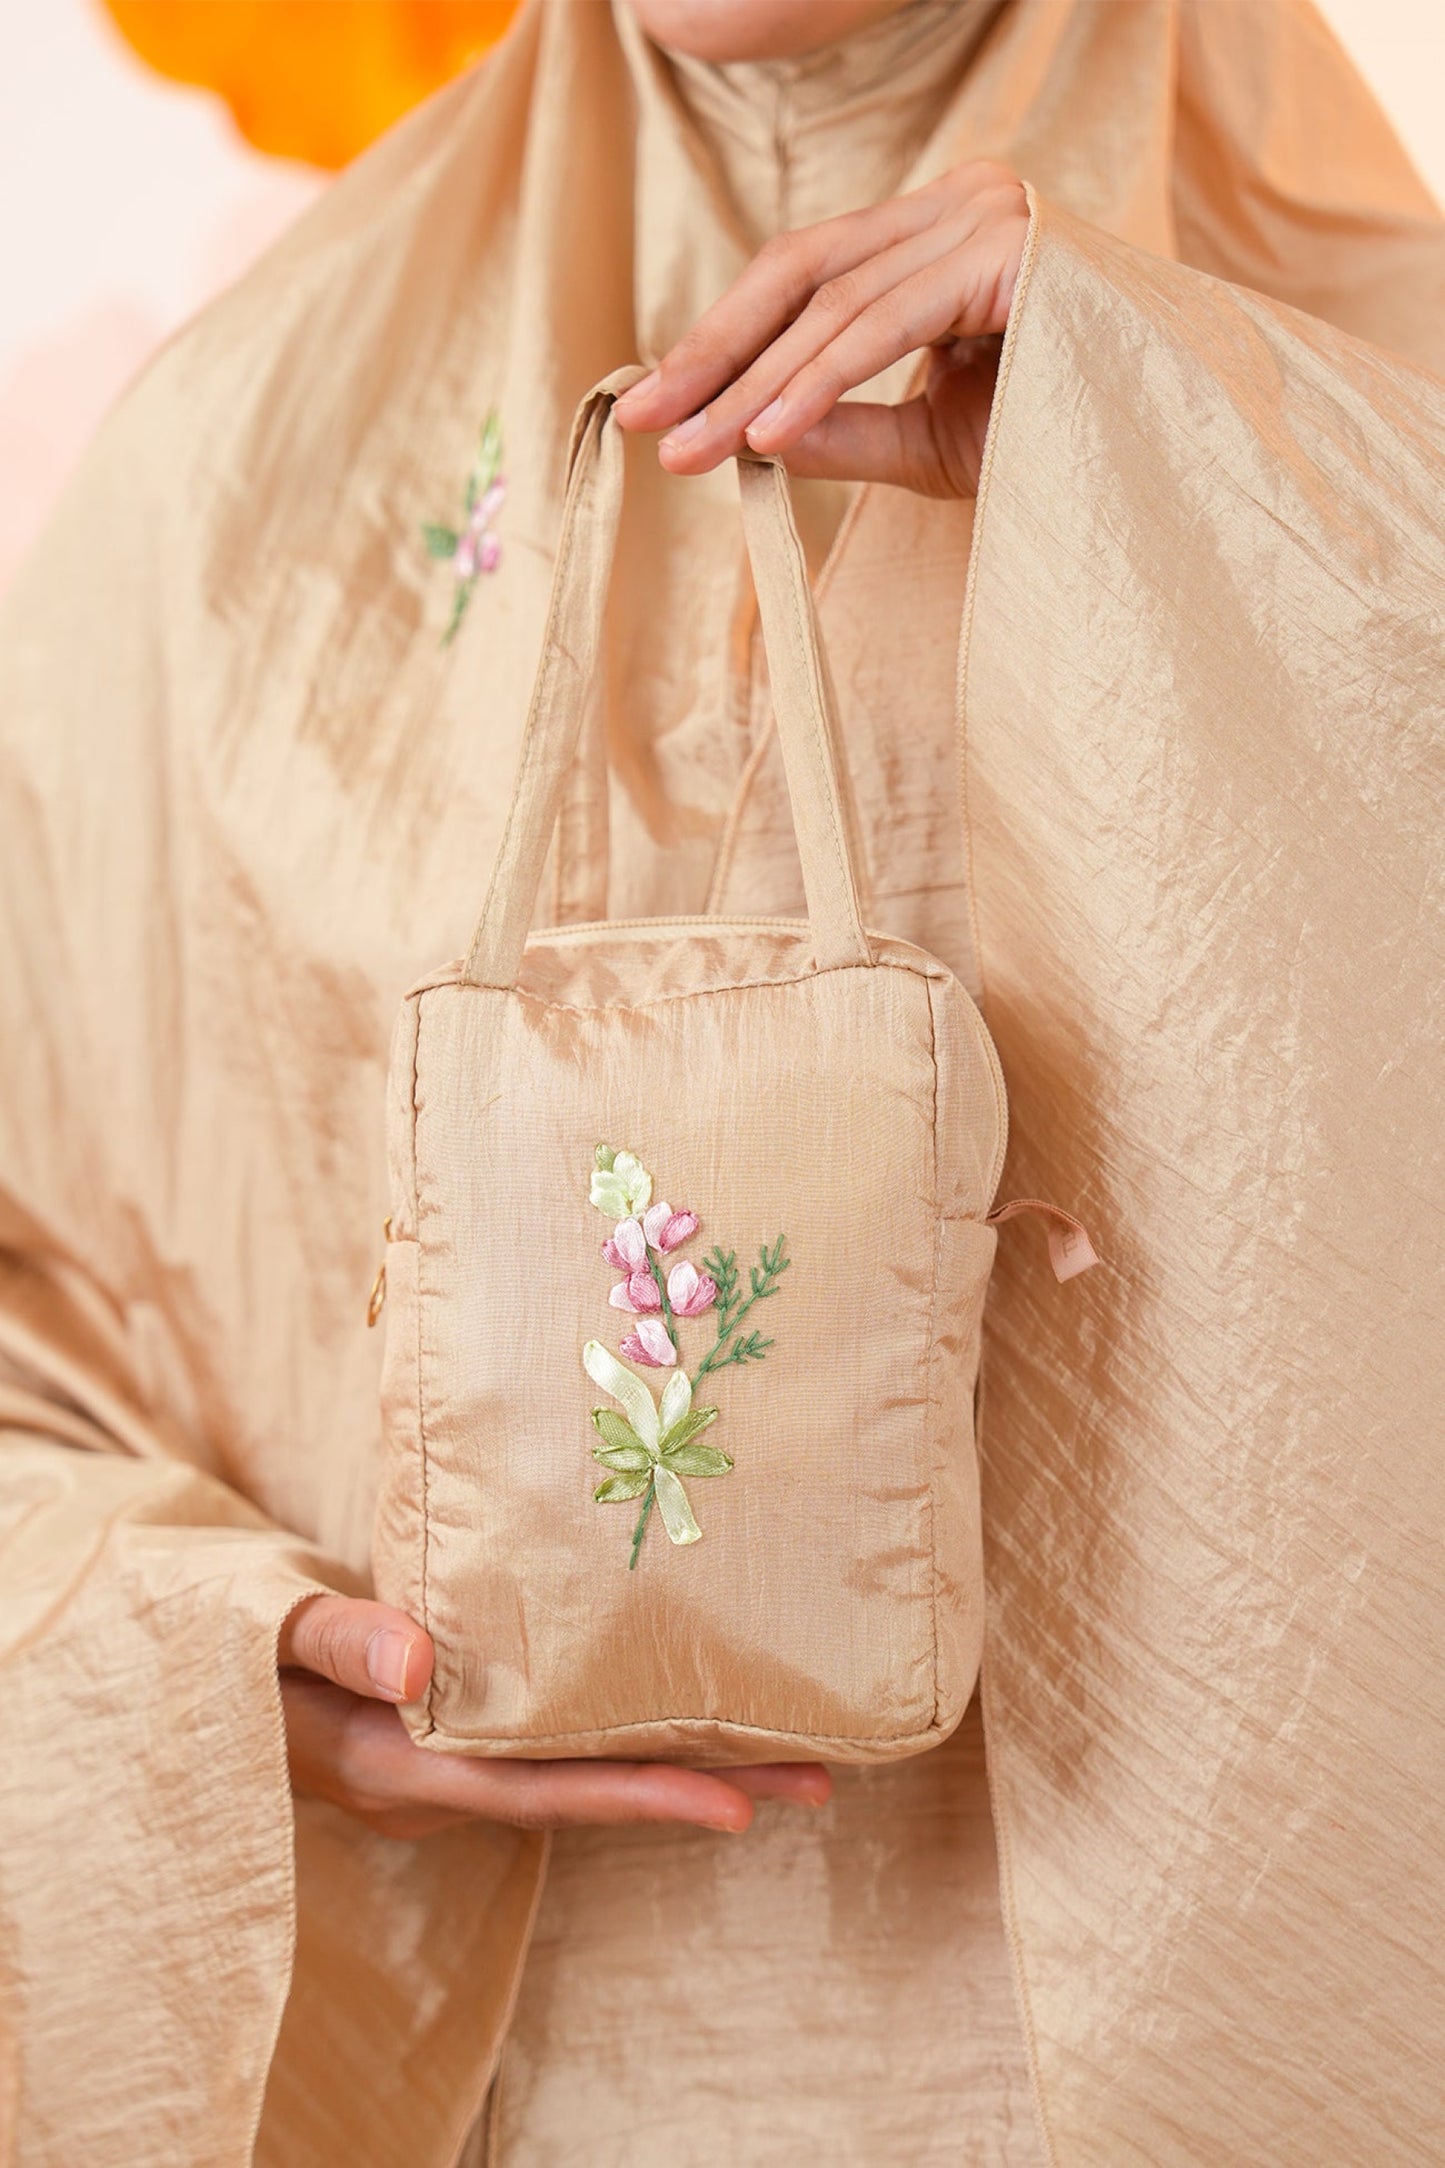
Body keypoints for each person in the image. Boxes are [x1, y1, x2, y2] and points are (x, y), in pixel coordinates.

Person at [2, 0, 1443, 2160]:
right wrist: (219, 1656)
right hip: (531, 2074)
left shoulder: (1366, 380)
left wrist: (1202, 457)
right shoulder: (230, 483)